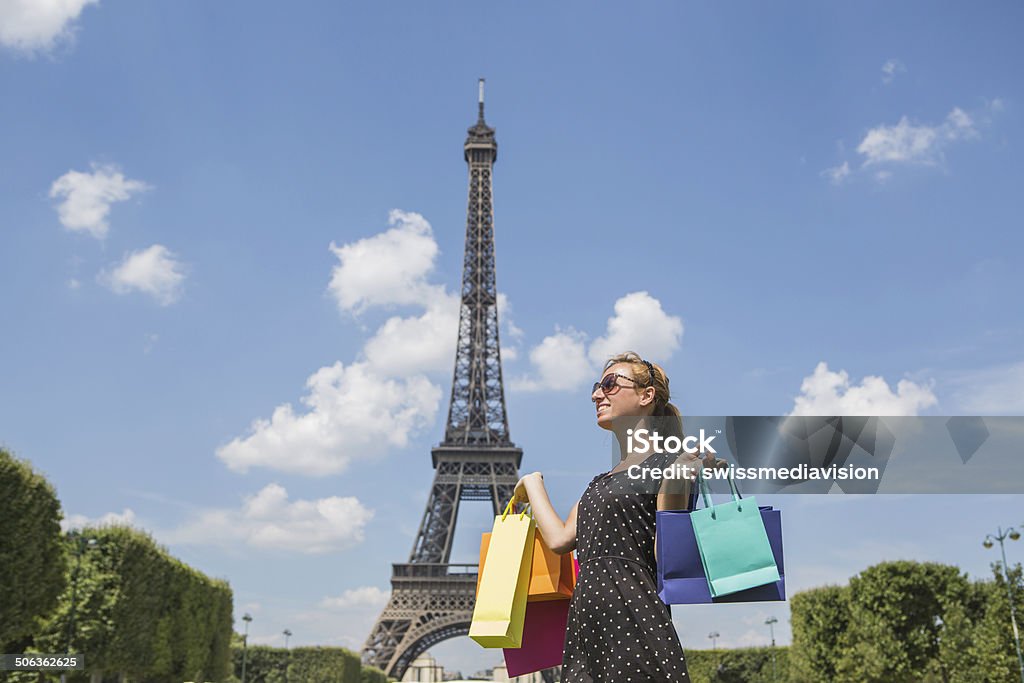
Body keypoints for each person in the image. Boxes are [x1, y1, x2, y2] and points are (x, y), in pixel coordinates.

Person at [513, 351, 721, 682]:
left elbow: (666, 560)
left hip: (635, 627)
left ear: (646, 395)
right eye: (597, 386)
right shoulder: (599, 484)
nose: (597, 394)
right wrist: (533, 484)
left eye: (609, 384)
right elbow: (560, 539)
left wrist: (678, 481)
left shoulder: (670, 465)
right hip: (585, 636)